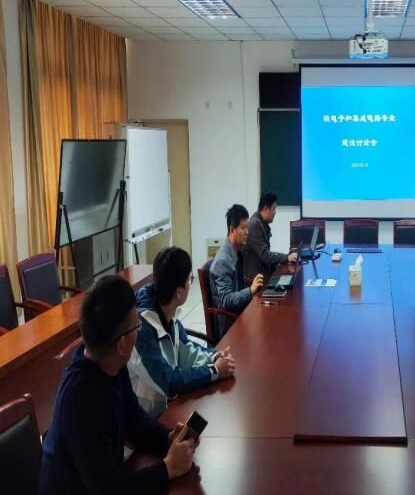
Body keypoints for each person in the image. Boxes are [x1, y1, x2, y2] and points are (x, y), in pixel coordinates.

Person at [39, 276, 197, 495]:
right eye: (137, 326)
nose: (139, 332)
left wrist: (167, 439)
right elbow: (107, 489)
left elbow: (134, 420)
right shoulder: (80, 399)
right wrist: (167, 468)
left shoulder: (110, 362)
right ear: (122, 345)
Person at [128, 247, 236, 417]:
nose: (190, 283)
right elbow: (168, 382)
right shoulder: (140, 329)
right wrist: (214, 371)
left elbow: (185, 350)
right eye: (189, 279)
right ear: (179, 292)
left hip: (169, 406)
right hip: (148, 419)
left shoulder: (165, 309)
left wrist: (215, 357)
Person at [210, 204, 264, 340]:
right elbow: (227, 300)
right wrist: (250, 291)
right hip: (230, 325)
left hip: (240, 313)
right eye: (243, 228)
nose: (247, 232)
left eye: (247, 227)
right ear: (232, 229)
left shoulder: (236, 251)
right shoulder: (223, 261)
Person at [242, 191, 298, 279]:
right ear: (266, 209)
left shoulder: (261, 222)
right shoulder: (255, 226)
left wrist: (284, 258)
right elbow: (265, 255)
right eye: (273, 209)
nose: (275, 212)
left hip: (263, 273)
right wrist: (287, 258)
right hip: (256, 279)